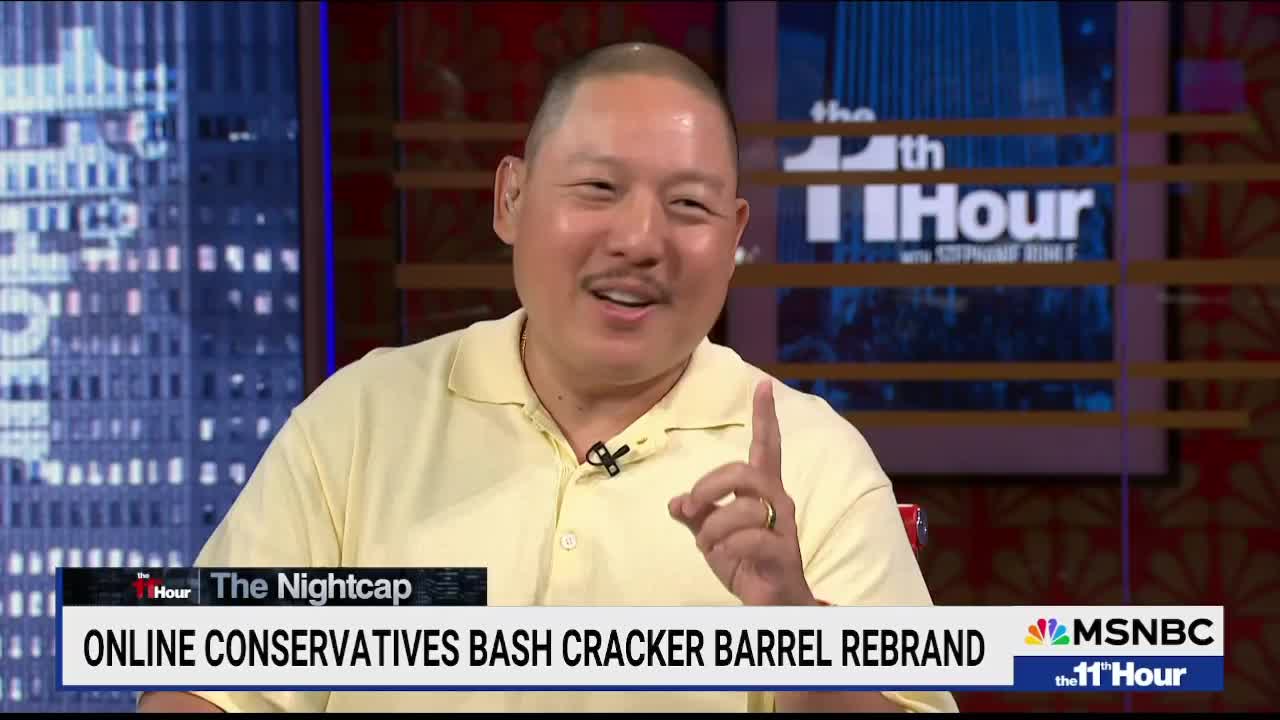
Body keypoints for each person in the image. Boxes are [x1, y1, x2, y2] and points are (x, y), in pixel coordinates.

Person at [138, 41, 957, 714]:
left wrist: (799, 634)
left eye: (689, 206)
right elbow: (202, 688)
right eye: (599, 188)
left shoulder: (816, 463)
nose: (641, 240)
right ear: (511, 199)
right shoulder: (360, 419)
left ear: (735, 234)